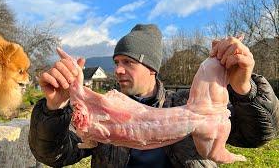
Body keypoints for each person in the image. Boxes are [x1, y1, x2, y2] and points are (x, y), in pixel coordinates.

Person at [28, 24, 279, 168]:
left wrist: (245, 89)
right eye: (116, 62)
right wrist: (55, 108)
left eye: (128, 61)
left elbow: (258, 134)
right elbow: (53, 154)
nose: (118, 70)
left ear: (152, 68)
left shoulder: (185, 105)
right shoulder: (102, 116)